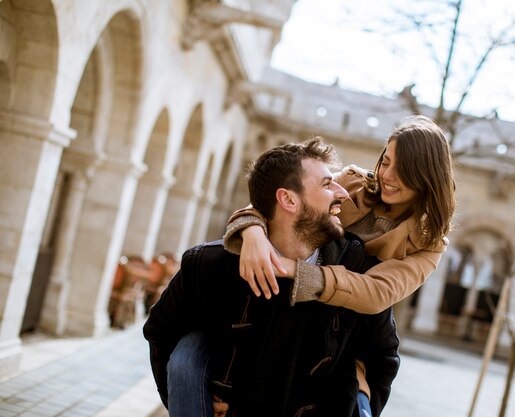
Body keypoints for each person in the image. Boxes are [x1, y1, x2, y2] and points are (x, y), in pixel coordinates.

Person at [143, 138, 400, 417]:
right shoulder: (209, 265)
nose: (344, 193)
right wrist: (189, 400)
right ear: (288, 199)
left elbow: (383, 359)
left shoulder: (359, 274)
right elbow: (161, 331)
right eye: (327, 184)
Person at [224, 115, 456, 316]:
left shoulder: (430, 243)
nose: (387, 175)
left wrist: (294, 269)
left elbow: (377, 294)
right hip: (276, 298)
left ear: (427, 176)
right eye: (385, 162)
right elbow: (280, 198)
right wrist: (253, 233)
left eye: (403, 169)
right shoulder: (353, 183)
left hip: (340, 324)